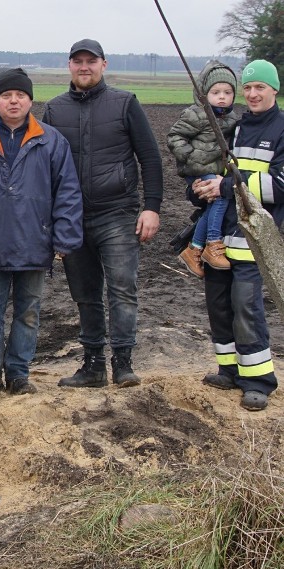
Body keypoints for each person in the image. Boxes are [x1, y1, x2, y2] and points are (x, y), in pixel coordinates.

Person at [42, 39, 163, 388]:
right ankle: (93, 365)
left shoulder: (125, 103)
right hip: (73, 219)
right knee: (85, 294)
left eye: (90, 61)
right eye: (77, 61)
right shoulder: (54, 110)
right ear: (69, 66)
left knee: (123, 288)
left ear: (103, 65)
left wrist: (151, 207)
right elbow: (43, 167)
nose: (84, 67)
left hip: (118, 214)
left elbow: (150, 158)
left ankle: (123, 363)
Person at [0, 68, 83, 401]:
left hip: (35, 242)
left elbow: (68, 192)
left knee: (28, 312)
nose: (13, 101)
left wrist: (64, 238)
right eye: (6, 95)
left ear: (30, 99)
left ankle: (18, 374)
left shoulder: (51, 140)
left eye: (20, 95)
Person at [192, 59, 283, 412]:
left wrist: (226, 186)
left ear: (274, 88)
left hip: (255, 241)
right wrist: (200, 190)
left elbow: (279, 185)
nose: (253, 93)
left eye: (260, 86)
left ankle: (258, 380)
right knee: (219, 306)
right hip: (221, 240)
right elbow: (215, 174)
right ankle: (228, 370)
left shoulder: (282, 129)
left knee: (247, 307)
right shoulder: (236, 127)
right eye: (247, 88)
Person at [167, 61, 239, 278]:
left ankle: (194, 248)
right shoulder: (197, 114)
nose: (222, 96)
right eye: (216, 92)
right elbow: (174, 137)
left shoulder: (232, 118)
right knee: (220, 198)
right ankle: (212, 242)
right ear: (204, 94)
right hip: (196, 169)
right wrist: (191, 158)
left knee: (215, 202)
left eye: (228, 92)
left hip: (216, 171)